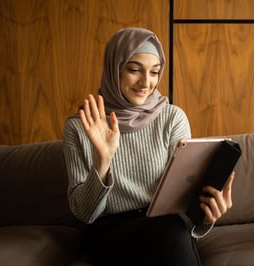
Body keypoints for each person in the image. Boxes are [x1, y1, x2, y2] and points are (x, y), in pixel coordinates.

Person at [63, 27, 235, 266]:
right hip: (110, 233)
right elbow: (85, 214)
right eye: (134, 70)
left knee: (172, 228)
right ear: (114, 69)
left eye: (154, 72)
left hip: (166, 228)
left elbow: (183, 204)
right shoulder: (80, 127)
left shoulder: (172, 118)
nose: (146, 83)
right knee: (171, 231)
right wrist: (103, 160)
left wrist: (206, 215)